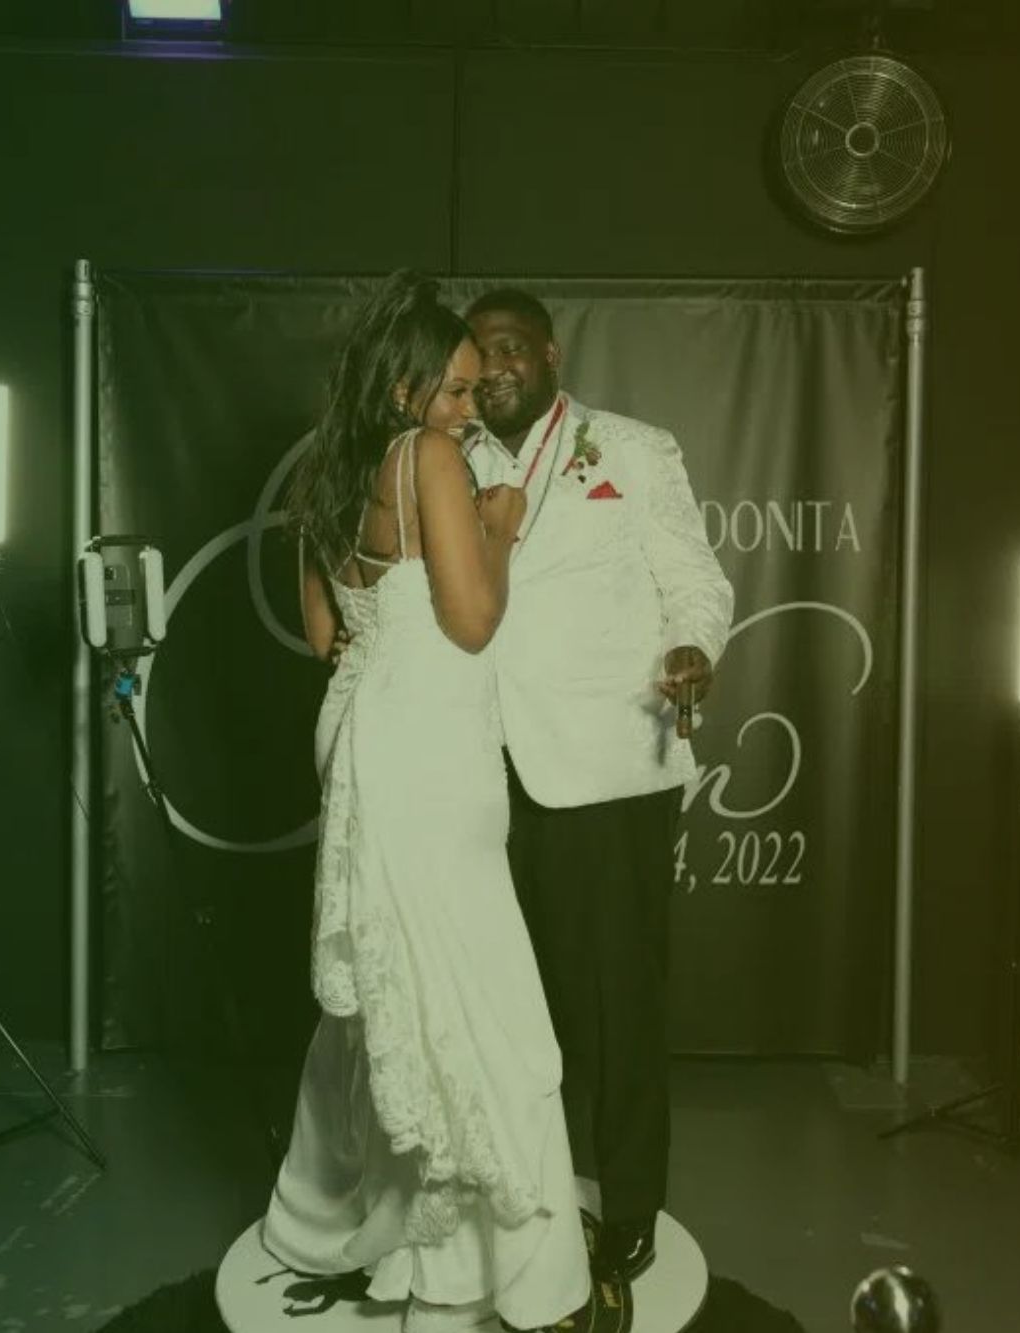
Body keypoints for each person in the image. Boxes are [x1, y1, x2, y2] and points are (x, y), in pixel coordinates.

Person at [260, 272, 592, 1333]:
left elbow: (325, 640)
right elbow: (472, 621)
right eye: (448, 389)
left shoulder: (326, 465)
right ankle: (479, 1268)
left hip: (360, 730)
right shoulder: (430, 460)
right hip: (430, 747)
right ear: (403, 387)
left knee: (404, 979)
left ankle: (365, 1225)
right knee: (468, 982)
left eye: (466, 389)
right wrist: (500, 523)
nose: (465, 406)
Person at [461, 287, 733, 1284]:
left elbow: (695, 581)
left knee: (617, 1004)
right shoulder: (451, 457)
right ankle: (512, 1193)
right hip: (483, 767)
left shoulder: (632, 448)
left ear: (547, 351)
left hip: (610, 767)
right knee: (496, 1001)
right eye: (474, 353)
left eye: (507, 348)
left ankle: (629, 1204)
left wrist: (690, 647)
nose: (491, 367)